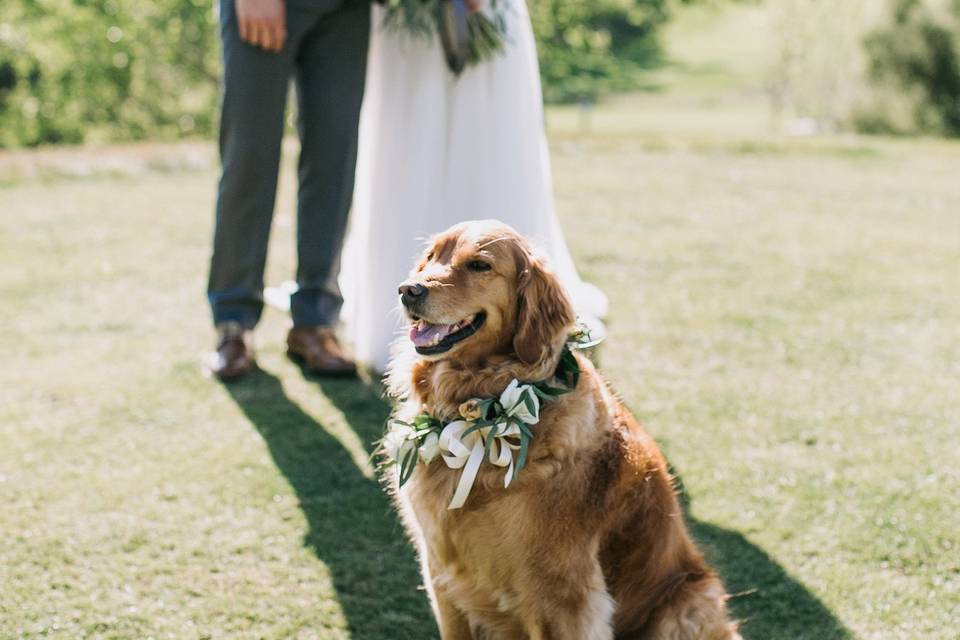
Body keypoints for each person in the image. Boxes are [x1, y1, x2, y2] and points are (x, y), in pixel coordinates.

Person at [339, 0, 608, 372]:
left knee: (493, 147)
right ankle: (400, 318)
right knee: (407, 150)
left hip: (490, 11)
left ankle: (514, 313)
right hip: (401, 24)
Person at [205, 0, 369, 379]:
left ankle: (315, 322)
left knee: (335, 158)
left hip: (349, 10)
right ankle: (233, 323)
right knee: (250, 157)